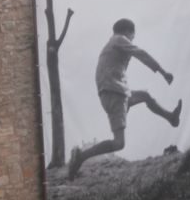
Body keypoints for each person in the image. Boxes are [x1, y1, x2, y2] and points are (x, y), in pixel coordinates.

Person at [68, 19, 182, 177]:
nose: (133, 39)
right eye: (133, 36)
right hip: (114, 93)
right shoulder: (119, 39)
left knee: (145, 95)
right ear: (128, 31)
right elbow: (141, 54)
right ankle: (80, 157)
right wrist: (163, 72)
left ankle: (170, 117)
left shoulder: (111, 43)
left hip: (115, 92)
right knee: (119, 143)